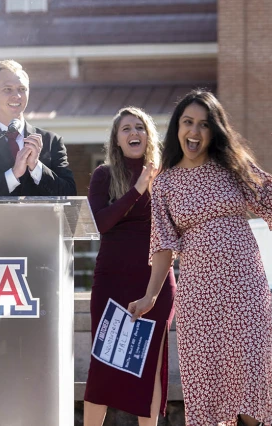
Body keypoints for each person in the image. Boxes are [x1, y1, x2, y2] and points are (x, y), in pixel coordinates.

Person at [128, 90, 272, 426]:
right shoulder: (164, 183)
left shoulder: (233, 166)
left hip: (245, 285)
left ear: (214, 130)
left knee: (249, 381)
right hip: (199, 294)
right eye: (188, 122)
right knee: (206, 383)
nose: (195, 131)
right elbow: (163, 246)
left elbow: (271, 205)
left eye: (204, 125)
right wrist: (150, 296)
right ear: (177, 127)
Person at [83, 107, 176, 426]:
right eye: (126, 129)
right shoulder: (103, 175)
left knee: (149, 366)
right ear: (116, 140)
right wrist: (137, 189)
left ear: (149, 135)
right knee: (103, 367)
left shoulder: (167, 177)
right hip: (111, 283)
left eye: (140, 127)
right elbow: (102, 222)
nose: (133, 132)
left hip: (155, 282)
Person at [0, 60, 76, 196]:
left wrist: (36, 167)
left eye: (22, 89)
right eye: (7, 89)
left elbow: (70, 195)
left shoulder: (51, 141)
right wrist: (13, 174)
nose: (17, 96)